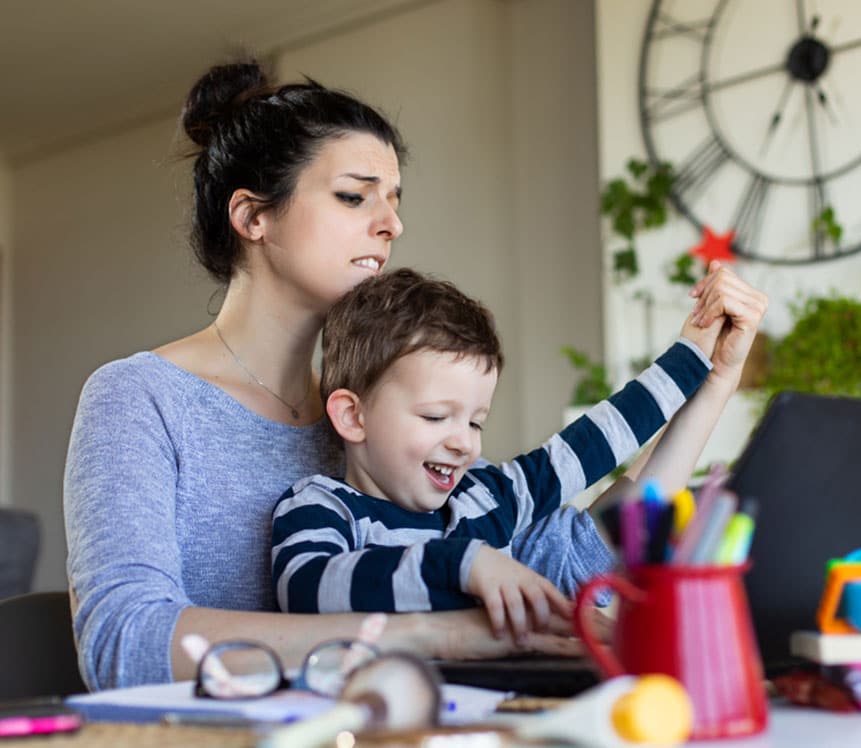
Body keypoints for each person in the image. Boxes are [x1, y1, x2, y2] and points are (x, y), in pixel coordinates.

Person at [63, 59, 768, 691]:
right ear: (252, 216)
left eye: (395, 198)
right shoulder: (142, 397)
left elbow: (582, 562)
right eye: (354, 196)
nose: (390, 223)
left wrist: (710, 385)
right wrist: (432, 633)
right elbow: (124, 645)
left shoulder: (391, 421)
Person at [271, 268, 721, 639]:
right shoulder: (321, 506)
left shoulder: (486, 494)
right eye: (434, 417)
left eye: (475, 421)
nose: (464, 442)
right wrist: (464, 564)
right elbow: (307, 588)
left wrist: (694, 356)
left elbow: (594, 443)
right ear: (353, 416)